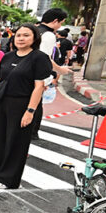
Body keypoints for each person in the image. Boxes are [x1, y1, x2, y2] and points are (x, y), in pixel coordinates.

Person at [0, 24, 52, 189]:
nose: (21, 38)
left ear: (34, 38)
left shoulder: (39, 58)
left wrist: (30, 111)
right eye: (19, 35)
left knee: (16, 141)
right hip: (1, 101)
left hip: (22, 103)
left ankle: (8, 179)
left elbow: (39, 87)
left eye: (26, 35)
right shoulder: (7, 56)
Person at [34, 8, 71, 140]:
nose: (60, 26)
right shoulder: (48, 35)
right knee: (35, 104)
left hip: (21, 72)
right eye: (61, 22)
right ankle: (32, 132)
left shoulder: (33, 30)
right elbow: (45, 58)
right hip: (36, 75)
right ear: (55, 21)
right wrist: (60, 70)